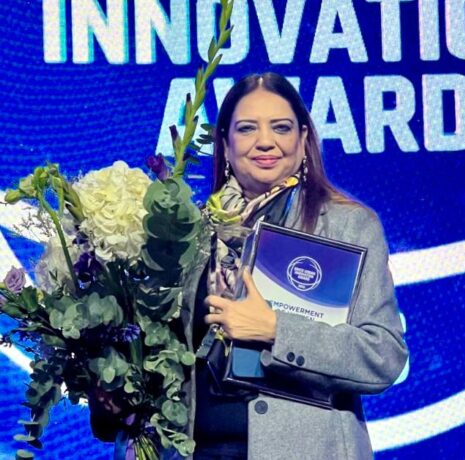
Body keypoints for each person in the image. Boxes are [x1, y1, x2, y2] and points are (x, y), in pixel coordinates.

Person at [90, 72, 408, 460]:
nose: (265, 141)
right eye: (247, 128)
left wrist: (275, 331)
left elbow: (383, 357)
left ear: (303, 140)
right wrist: (116, 390)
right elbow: (165, 357)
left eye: (281, 127)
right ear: (225, 144)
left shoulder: (347, 226)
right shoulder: (190, 232)